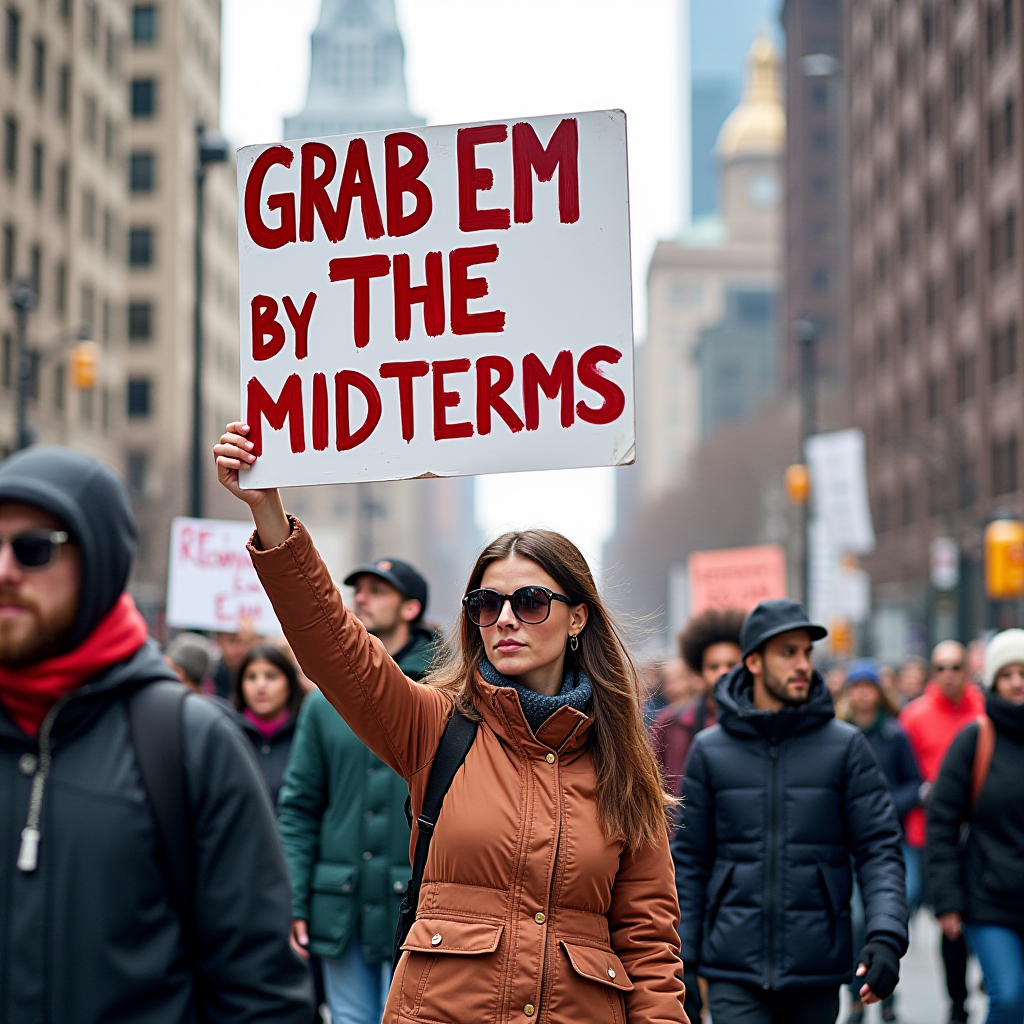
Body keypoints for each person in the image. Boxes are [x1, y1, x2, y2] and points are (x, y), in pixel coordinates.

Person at [215, 421, 689, 1023]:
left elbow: (650, 948)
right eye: (488, 604)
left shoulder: (621, 757)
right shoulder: (435, 723)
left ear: (577, 619)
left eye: (532, 601)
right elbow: (334, 648)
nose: (506, 619)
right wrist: (269, 514)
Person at [0, 446, 312, 1022]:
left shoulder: (189, 742)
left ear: (97, 562)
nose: (4, 570)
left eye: (33, 548)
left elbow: (260, 993)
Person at [673, 598, 908, 1024]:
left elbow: (879, 849)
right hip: (731, 970)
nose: (803, 664)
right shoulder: (710, 750)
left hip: (814, 969)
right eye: (788, 652)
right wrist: (683, 959)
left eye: (806, 652)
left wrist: (886, 935)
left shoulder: (847, 746)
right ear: (755, 662)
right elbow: (688, 859)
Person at [928, 629, 1024, 1024]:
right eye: (1007, 674)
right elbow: (942, 820)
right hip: (990, 899)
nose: (1017, 682)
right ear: (994, 681)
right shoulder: (976, 740)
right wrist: (947, 900)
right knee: (1010, 997)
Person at [900, 639, 985, 1024]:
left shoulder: (985, 713)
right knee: (947, 920)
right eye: (941, 667)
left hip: (984, 834)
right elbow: (903, 773)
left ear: (967, 670)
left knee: (983, 915)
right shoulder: (914, 717)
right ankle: (956, 1000)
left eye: (955, 667)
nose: (948, 675)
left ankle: (992, 973)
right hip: (928, 835)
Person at [842, 659, 923, 1024]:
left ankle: (887, 987)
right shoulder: (840, 733)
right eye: (856, 685)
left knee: (898, 907)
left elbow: (914, 783)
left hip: (892, 836)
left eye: (868, 685)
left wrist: (887, 805)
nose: (862, 692)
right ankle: (857, 993)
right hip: (849, 842)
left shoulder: (895, 734)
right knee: (858, 919)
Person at [650, 608, 744, 797]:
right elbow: (652, 787)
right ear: (700, 671)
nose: (723, 673)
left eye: (732, 665)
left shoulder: (761, 722)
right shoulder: (670, 722)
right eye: (714, 666)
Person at [231, 642, 306, 807]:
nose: (260, 686)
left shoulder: (305, 734)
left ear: (289, 683)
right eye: (251, 677)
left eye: (271, 676)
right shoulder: (228, 734)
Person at [344, 557, 435, 679]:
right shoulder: (345, 657)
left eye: (376, 590)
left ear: (410, 609)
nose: (359, 598)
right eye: (357, 590)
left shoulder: (432, 679)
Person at [211, 626, 253, 699]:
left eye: (243, 641)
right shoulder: (211, 675)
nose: (239, 648)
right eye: (232, 641)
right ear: (219, 642)